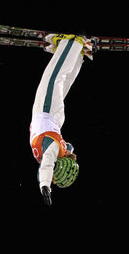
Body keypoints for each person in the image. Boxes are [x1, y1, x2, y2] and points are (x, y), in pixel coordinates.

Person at [29, 34, 92, 206]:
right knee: (53, 77)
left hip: (52, 118)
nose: (53, 181)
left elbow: (46, 166)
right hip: (46, 111)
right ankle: (72, 44)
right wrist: (45, 185)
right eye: (55, 179)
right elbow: (47, 166)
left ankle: (77, 55)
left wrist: (46, 182)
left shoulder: (62, 151)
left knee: (62, 82)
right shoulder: (53, 150)